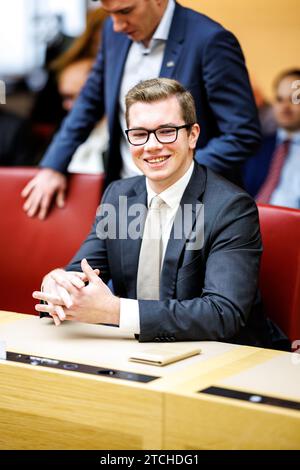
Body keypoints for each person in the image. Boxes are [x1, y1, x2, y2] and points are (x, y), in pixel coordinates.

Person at [32, 78, 278, 348]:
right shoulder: (119, 196)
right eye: (139, 134)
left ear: (193, 135)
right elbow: (79, 272)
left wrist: (115, 311)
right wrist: (56, 283)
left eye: (166, 131)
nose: (151, 146)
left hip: (225, 357)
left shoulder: (231, 208)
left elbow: (223, 314)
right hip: (136, 352)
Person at [22, 0, 261, 220]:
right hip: (128, 201)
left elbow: (242, 134)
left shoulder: (210, 40)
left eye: (126, 11)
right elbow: (88, 103)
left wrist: (172, 178)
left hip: (193, 206)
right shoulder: (112, 33)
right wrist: (53, 165)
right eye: (110, 13)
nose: (117, 25)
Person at [244, 69, 300, 209]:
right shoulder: (257, 145)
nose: (285, 107)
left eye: (294, 99)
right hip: (250, 224)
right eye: (280, 99)